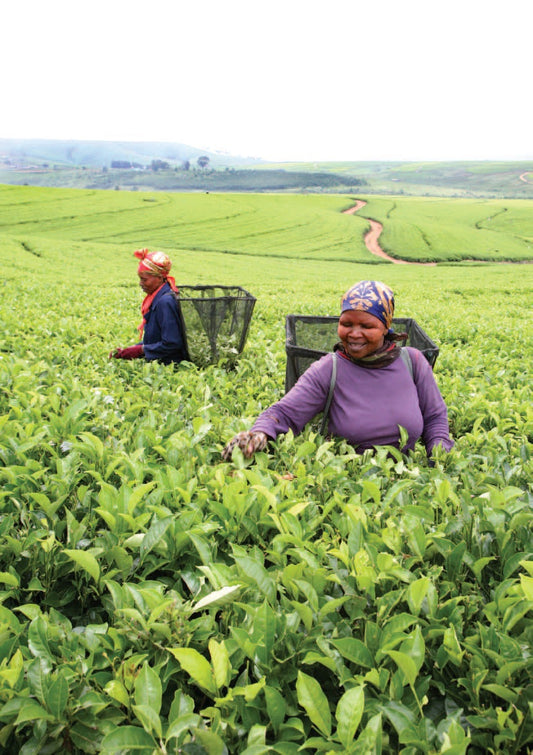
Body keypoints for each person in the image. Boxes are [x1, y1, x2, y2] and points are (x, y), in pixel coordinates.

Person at [222, 280, 453, 460]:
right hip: (346, 483)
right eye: (346, 324)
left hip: (408, 478)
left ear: (385, 327)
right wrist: (257, 436)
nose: (354, 333)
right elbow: (286, 413)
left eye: (366, 326)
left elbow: (435, 417)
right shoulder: (328, 368)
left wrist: (439, 458)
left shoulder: (412, 361)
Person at [110, 249, 186, 365]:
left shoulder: (165, 302)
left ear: (160, 278)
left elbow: (172, 343)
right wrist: (130, 350)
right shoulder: (157, 297)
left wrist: (141, 350)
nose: (140, 283)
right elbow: (155, 339)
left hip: (169, 366)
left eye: (144, 280)